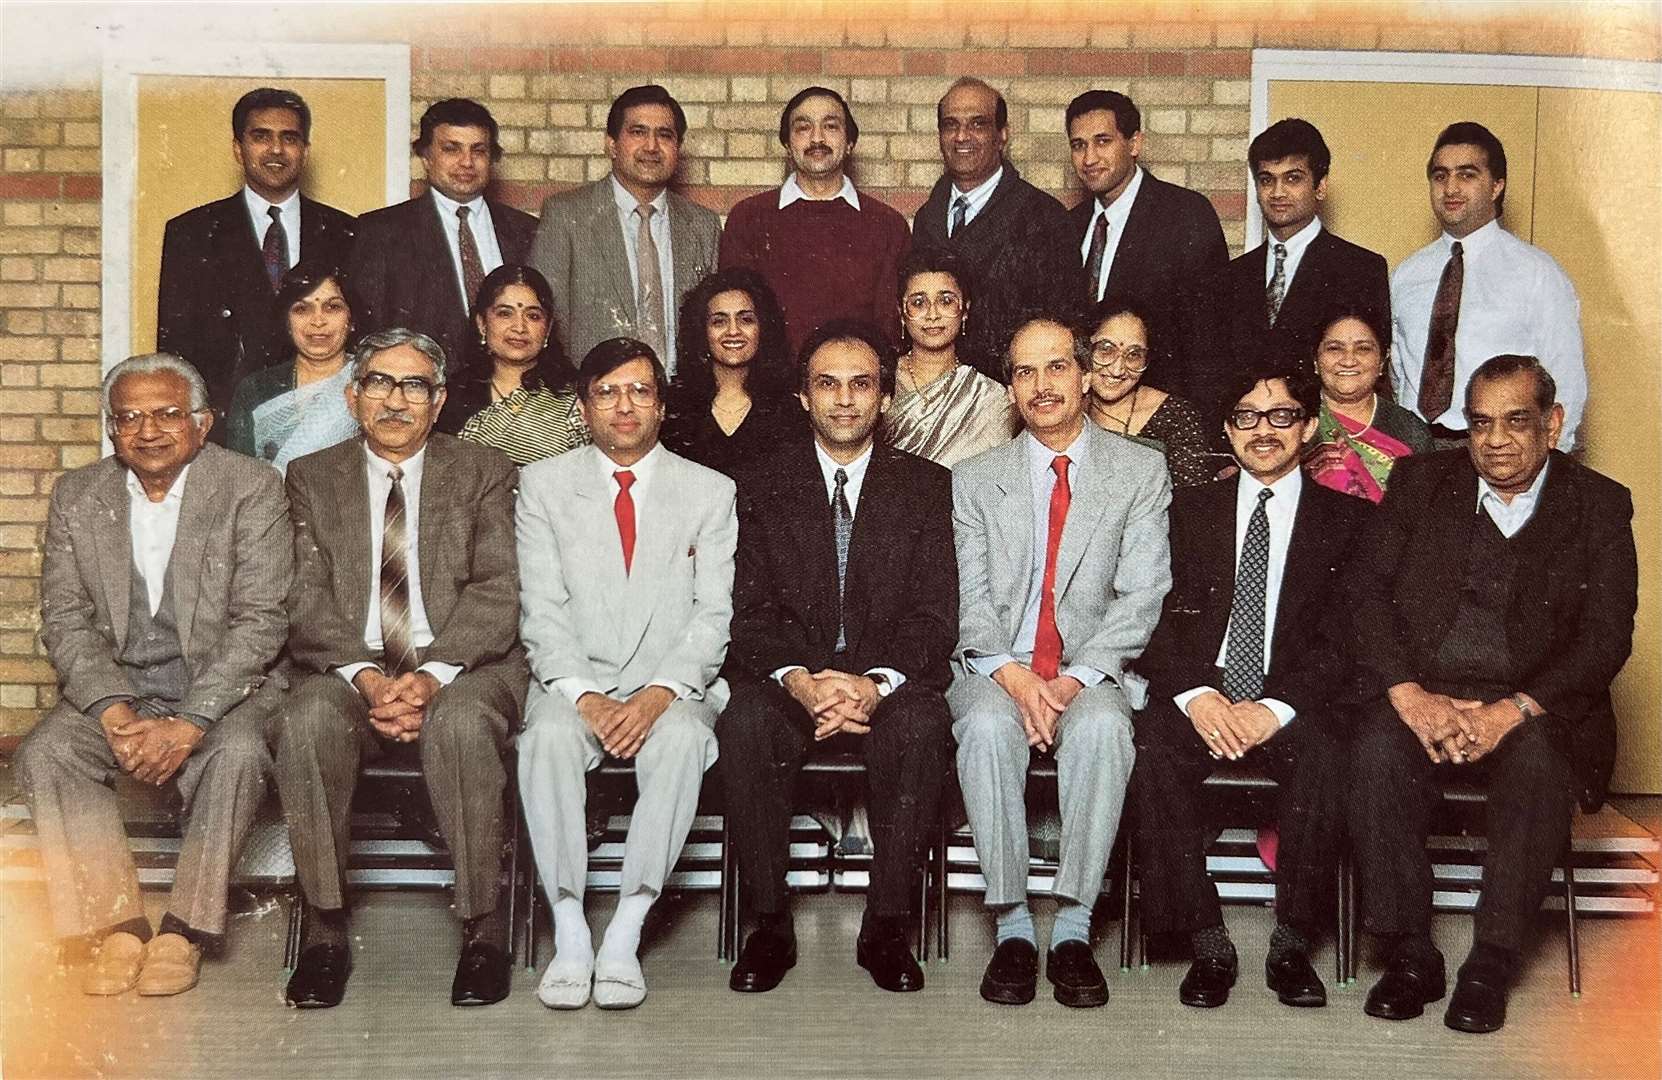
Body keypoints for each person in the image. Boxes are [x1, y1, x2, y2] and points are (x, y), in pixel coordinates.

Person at [1348, 355, 1636, 1034]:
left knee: (1538, 770)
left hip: (1532, 704)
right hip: (1427, 694)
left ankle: (1492, 961)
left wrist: (1514, 710)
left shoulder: (1597, 504)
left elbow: (1605, 640)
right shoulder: (1421, 482)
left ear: (1552, 424)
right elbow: (1364, 596)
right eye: (1480, 424)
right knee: (1373, 755)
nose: (1496, 440)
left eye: (1516, 421)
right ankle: (1410, 952)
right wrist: (1408, 692)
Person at [18, 353, 289, 997]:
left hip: (221, 693)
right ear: (112, 430)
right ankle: (116, 924)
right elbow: (64, 615)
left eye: (168, 414)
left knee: (239, 753)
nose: (148, 430)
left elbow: (261, 621)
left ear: (203, 423)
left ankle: (186, 931)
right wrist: (113, 712)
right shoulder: (79, 494)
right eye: (129, 417)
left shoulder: (252, 487)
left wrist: (190, 723)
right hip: (125, 692)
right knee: (48, 752)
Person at [276, 328, 526, 1010]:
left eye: (413, 385)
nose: (395, 400)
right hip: (349, 670)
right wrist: (365, 677)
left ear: (439, 400)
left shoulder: (483, 470)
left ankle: (482, 931)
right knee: (304, 722)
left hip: (461, 668)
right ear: (353, 397)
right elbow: (303, 596)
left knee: (463, 727)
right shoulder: (310, 477)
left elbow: (498, 590)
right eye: (379, 384)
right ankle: (325, 933)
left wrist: (429, 677)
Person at [720, 320, 957, 995]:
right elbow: (749, 612)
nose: (846, 400)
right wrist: (800, 680)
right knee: (744, 723)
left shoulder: (927, 486)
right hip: (791, 677)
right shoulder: (760, 485)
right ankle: (768, 923)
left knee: (920, 727)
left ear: (885, 397)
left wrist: (872, 687)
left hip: (887, 682)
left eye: (862, 384)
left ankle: (885, 926)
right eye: (828, 384)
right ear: (802, 397)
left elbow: (935, 615)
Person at [949, 310, 1171, 1009]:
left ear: (1084, 374)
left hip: (1093, 668)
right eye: (1023, 371)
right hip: (997, 666)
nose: (1041, 385)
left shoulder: (1140, 469)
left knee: (1105, 728)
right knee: (986, 729)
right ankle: (1013, 927)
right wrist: (1015, 679)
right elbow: (971, 598)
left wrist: (1072, 682)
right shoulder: (975, 478)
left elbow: (1142, 594)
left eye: (1056, 366)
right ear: (1009, 388)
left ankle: (1073, 929)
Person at [1130, 366, 1370, 1011]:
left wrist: (1273, 708)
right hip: (1201, 695)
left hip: (1291, 701)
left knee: (1327, 750)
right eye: (1245, 417)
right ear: (1226, 430)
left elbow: (1346, 640)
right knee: (1149, 746)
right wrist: (1196, 696)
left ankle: (1292, 940)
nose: (1263, 431)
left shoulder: (1348, 521)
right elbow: (1148, 615)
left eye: (1281, 415)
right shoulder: (1184, 513)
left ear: (1309, 426)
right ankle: (1206, 937)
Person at [516, 337, 736, 1011]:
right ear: (583, 408)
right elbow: (542, 609)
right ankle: (571, 924)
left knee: (677, 742)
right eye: (607, 392)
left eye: (640, 391)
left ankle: (629, 924)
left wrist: (657, 694)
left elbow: (713, 613)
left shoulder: (710, 490)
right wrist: (583, 697)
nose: (624, 406)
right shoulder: (544, 485)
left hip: (670, 686)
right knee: (545, 741)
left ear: (663, 407)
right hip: (572, 683)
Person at [157, 87, 356, 428]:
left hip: (328, 421)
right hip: (227, 423)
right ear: (238, 148)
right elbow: (175, 348)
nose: (276, 149)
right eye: (261, 137)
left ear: (305, 151)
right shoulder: (191, 232)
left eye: (289, 138)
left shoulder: (346, 231)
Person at [1390, 122, 1585, 449]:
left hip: (1501, 449)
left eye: (1467, 175)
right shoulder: (1406, 274)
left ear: (1496, 186)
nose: (1450, 188)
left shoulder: (1537, 272)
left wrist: (1552, 467)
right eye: (1440, 176)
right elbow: (1399, 372)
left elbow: (1566, 381)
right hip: (1416, 450)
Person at [1200, 118, 1390, 421]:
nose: (1277, 192)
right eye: (1266, 179)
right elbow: (1211, 376)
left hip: (1329, 448)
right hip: (1246, 446)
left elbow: (1367, 377)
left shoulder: (1361, 269)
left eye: (1292, 179)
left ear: (1320, 186)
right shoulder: (1229, 278)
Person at [530, 84, 722, 376]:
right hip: (594, 399)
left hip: (683, 405)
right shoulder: (566, 215)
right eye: (638, 132)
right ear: (611, 145)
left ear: (678, 149)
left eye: (665, 135)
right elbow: (547, 319)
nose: (651, 146)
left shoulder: (703, 225)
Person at [718, 86, 912, 356]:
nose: (817, 138)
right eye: (803, 128)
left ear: (849, 144)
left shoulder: (888, 226)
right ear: (787, 144)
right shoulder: (748, 219)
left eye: (830, 126)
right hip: (771, 392)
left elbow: (892, 329)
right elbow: (735, 320)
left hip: (857, 390)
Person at [912, 78, 1081, 380]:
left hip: (1011, 401)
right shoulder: (927, 219)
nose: (961, 136)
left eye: (977, 124)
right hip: (934, 395)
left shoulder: (1045, 218)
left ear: (1002, 134)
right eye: (950, 125)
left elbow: (1063, 329)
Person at [349, 99, 537, 369]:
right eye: (452, 149)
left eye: (479, 150)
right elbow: (367, 334)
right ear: (426, 158)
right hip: (422, 396)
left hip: (511, 395)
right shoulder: (381, 232)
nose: (467, 162)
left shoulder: (526, 231)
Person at [1065, 89, 1226, 402]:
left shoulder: (1186, 215)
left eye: (1102, 141)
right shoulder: (1069, 224)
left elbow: (1209, 342)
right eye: (1078, 145)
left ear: (1134, 143)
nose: (1089, 158)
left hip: (1161, 415)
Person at [438, 263, 588, 466]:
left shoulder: (576, 394)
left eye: (533, 316)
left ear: (548, 327)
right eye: (505, 313)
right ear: (482, 323)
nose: (519, 327)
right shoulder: (450, 397)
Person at [224, 260, 363, 472]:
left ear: (351, 319)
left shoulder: (370, 381)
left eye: (332, 307)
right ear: (287, 322)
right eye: (302, 309)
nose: (318, 321)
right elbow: (240, 478)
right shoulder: (255, 389)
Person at [882, 249, 1016, 468]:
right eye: (918, 303)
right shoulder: (879, 381)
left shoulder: (991, 397)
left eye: (946, 301)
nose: (932, 314)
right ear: (901, 313)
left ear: (965, 309)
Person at [661, 267, 800, 476]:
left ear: (763, 329)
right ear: (702, 331)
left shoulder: (790, 407)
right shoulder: (673, 406)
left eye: (746, 320)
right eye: (719, 321)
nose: (733, 331)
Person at [1084, 300, 1219, 489]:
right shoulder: (1067, 406)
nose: (1117, 369)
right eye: (1106, 349)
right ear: (1084, 349)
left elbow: (1191, 504)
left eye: (1134, 355)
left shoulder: (1175, 415)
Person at [1304, 306, 1432, 502]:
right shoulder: (1294, 423)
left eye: (1363, 349)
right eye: (1334, 348)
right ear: (1315, 360)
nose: (1348, 361)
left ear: (1382, 361)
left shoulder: (1409, 430)